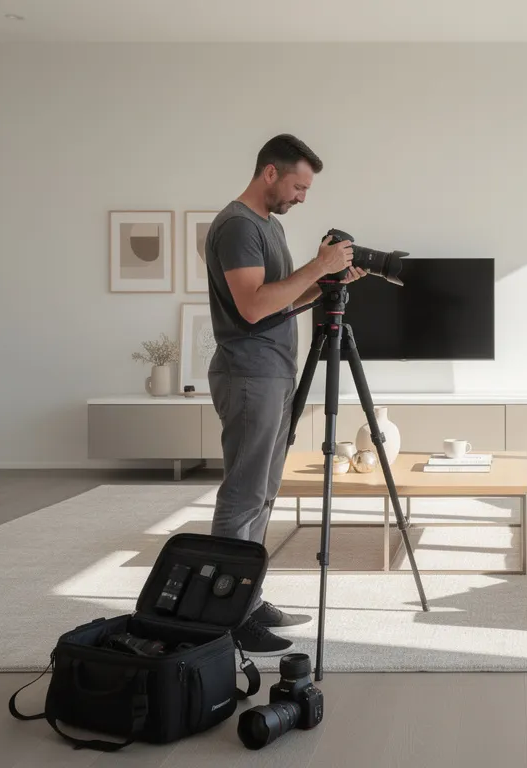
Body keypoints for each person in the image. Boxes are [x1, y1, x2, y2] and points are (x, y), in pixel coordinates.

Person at [203, 134, 365, 655]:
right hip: (249, 374)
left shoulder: (267, 227)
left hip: (272, 372)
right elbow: (251, 307)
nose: (302, 197)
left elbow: (280, 302)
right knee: (243, 496)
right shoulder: (238, 226)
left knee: (265, 492)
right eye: (298, 186)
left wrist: (330, 279)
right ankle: (224, 616)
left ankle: (246, 599)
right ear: (270, 173)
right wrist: (317, 266)